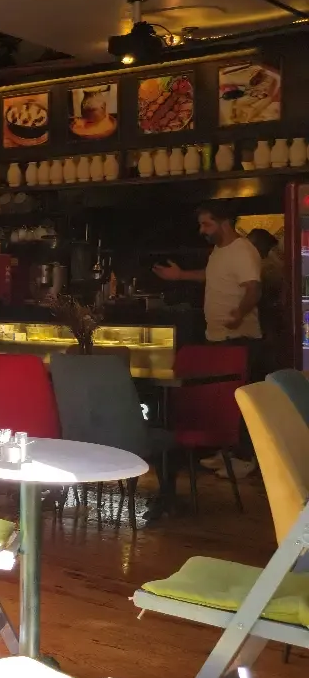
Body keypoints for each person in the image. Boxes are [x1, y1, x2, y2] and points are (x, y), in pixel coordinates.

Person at [154, 201, 260, 476]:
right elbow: (211, 276)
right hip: (218, 335)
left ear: (224, 222)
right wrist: (179, 276)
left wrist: (240, 314)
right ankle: (224, 453)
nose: (202, 230)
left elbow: (253, 288)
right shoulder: (219, 251)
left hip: (238, 336)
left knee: (238, 400)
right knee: (220, 398)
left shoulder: (243, 250)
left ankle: (244, 458)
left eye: (206, 224)